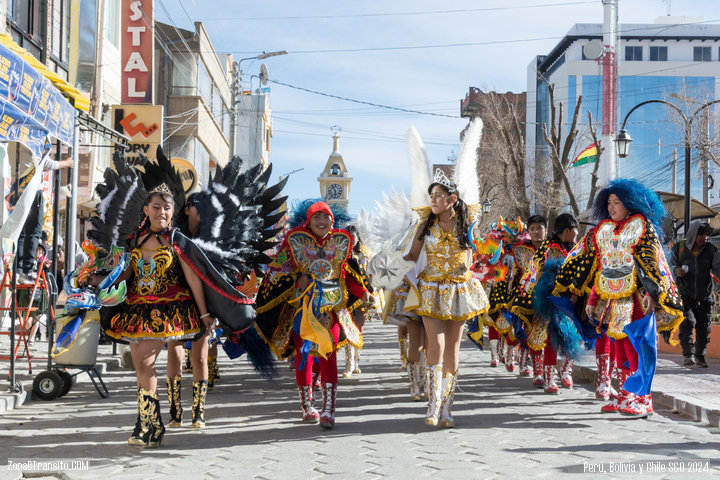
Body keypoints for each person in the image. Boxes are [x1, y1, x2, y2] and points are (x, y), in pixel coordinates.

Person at [553, 179, 683, 418]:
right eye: (609, 202)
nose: (612, 207)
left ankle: (644, 399)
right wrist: (592, 299)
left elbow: (651, 263)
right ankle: (625, 394)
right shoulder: (602, 231)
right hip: (612, 302)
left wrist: (653, 296)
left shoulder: (641, 226)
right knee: (619, 347)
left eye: (617, 202)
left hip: (637, 300)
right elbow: (599, 268)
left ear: (631, 203)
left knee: (637, 347)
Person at [103, 186, 214, 447]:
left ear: (173, 212)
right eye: (156, 207)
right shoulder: (135, 241)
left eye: (166, 208)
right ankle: (150, 424)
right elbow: (127, 274)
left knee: (144, 361)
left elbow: (193, 279)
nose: (161, 212)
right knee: (141, 365)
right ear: (146, 210)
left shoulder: (177, 240)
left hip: (167, 310)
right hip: (136, 309)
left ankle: (149, 424)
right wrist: (101, 283)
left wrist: (205, 312)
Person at [255, 201, 371, 429]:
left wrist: (364, 291)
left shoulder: (341, 243)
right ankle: (308, 404)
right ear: (308, 221)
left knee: (328, 354)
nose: (322, 222)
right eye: (316, 217)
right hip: (302, 313)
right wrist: (296, 280)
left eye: (326, 217)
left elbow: (350, 273)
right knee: (304, 357)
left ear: (332, 220)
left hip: (332, 310)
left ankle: (329, 409)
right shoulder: (294, 243)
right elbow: (277, 272)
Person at [402, 170, 489, 427]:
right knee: (435, 345)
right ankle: (433, 405)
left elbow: (482, 255)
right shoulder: (424, 226)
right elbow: (410, 256)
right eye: (431, 196)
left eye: (438, 195)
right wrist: (387, 262)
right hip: (431, 289)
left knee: (452, 350)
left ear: (452, 199)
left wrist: (489, 259)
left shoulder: (467, 226)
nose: (433, 200)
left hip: (459, 291)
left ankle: (447, 408)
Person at [510, 213, 579, 393]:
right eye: (532, 229)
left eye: (539, 229)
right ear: (567, 231)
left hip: (570, 300)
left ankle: (565, 371)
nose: (536, 232)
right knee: (540, 337)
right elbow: (523, 275)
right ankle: (544, 375)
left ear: (546, 230)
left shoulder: (575, 248)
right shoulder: (540, 250)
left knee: (572, 336)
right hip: (540, 300)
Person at [669, 221, 720, 368]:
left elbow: (718, 268)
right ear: (693, 234)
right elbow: (669, 265)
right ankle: (687, 354)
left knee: (704, 327)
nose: (704, 238)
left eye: (706, 235)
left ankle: (700, 356)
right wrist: (676, 271)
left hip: (705, 295)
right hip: (685, 294)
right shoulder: (679, 247)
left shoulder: (711, 249)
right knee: (687, 323)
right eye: (701, 234)